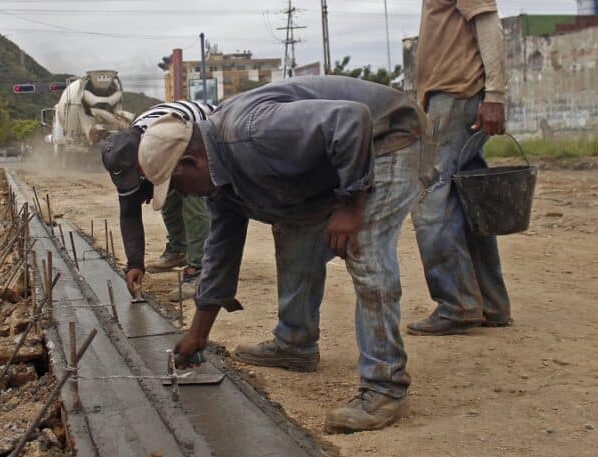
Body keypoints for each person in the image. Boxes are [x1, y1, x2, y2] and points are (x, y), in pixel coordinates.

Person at [139, 77, 425, 433]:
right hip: (343, 154)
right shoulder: (220, 174)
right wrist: (199, 333)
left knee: (363, 248)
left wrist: (352, 204)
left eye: (178, 186)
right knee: (293, 229)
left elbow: (352, 120)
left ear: (192, 162)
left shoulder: (253, 131)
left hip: (384, 138)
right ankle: (295, 343)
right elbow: (221, 248)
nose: (185, 195)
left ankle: (386, 388)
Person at [383, 0, 512, 335]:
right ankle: (489, 303)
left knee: (430, 202)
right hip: (445, 99)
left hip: (457, 98)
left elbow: (488, 24)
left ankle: (456, 303)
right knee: (467, 201)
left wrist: (494, 93)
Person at [100, 100, 216, 300]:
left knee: (192, 196)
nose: (134, 180)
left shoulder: (162, 135)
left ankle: (199, 269)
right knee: (167, 193)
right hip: (170, 143)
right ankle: (179, 249)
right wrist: (135, 263)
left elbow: (188, 169)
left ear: (143, 153)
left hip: (205, 129)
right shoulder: (125, 152)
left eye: (136, 173)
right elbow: (129, 214)